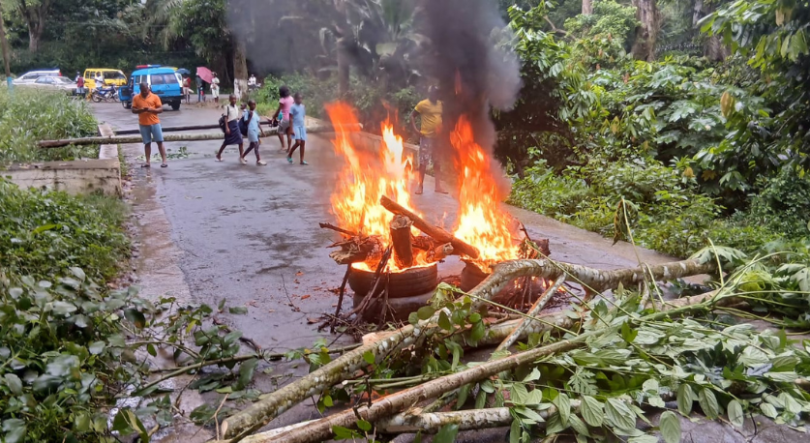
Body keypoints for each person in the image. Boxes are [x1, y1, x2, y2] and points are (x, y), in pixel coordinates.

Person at [410, 86, 447, 194]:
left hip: (437, 139)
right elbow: (412, 116)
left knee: (437, 162)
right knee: (423, 162)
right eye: (434, 93)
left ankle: (438, 186)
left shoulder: (441, 104)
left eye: (437, 93)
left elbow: (443, 118)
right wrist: (416, 130)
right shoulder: (423, 104)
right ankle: (420, 186)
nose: (436, 95)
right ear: (430, 94)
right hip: (427, 138)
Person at [131, 83, 167, 168]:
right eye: (143, 90)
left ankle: (164, 161)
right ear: (140, 90)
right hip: (143, 124)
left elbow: (161, 109)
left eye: (146, 90)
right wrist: (141, 110)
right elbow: (133, 110)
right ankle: (147, 162)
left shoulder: (155, 97)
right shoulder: (136, 98)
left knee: (159, 142)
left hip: (155, 123)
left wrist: (152, 110)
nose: (144, 92)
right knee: (147, 143)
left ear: (148, 88)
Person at [216, 94, 245, 163]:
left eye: (235, 99)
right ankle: (218, 154)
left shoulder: (236, 107)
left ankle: (241, 156)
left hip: (235, 125)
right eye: (232, 99)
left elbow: (235, 115)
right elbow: (226, 118)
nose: (234, 100)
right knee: (226, 142)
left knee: (240, 141)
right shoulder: (227, 107)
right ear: (229, 100)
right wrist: (227, 128)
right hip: (230, 125)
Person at [241, 100, 267, 165]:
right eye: (252, 104)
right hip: (251, 130)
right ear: (249, 105)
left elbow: (258, 123)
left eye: (254, 104)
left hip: (255, 131)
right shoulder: (247, 112)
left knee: (252, 145)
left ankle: (242, 156)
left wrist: (262, 131)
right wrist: (250, 116)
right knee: (256, 145)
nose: (254, 106)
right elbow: (246, 122)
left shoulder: (255, 112)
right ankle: (258, 160)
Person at [271, 86, 293, 152]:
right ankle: (289, 148)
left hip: (285, 118)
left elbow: (279, 110)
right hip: (291, 118)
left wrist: (274, 116)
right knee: (289, 133)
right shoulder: (291, 98)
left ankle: (283, 146)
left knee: (279, 132)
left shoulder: (282, 100)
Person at [287, 92, 307, 165]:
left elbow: (303, 116)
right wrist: (291, 129)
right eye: (298, 98)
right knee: (298, 142)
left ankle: (302, 160)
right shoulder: (292, 107)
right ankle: (289, 154)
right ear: (295, 99)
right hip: (295, 126)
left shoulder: (303, 107)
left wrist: (303, 124)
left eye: (301, 98)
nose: (300, 100)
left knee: (303, 143)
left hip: (302, 126)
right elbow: (291, 118)